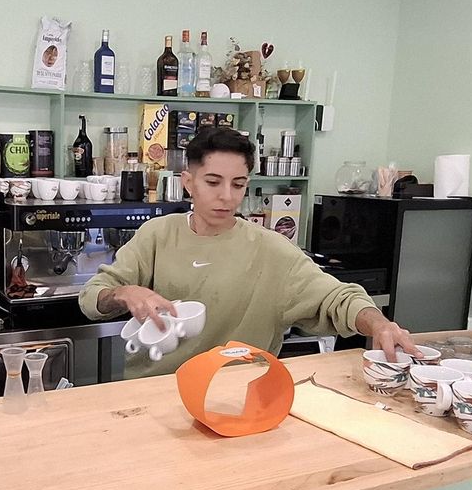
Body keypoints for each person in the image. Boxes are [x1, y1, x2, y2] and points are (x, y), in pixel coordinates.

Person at [79, 126, 418, 377]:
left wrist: (379, 324)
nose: (227, 196)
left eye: (238, 184)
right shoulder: (157, 235)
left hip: (242, 398)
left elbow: (338, 298)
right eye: (213, 182)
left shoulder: (272, 249)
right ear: (188, 182)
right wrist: (125, 292)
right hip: (155, 397)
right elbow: (91, 298)